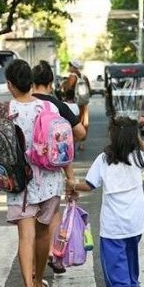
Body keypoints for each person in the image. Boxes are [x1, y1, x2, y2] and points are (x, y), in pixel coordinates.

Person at [0, 59, 75, 287]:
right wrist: (70, 178)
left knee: (25, 236)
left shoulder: (4, 110)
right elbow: (63, 144)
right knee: (42, 235)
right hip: (49, 180)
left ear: (10, 85)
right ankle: (39, 283)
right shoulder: (48, 106)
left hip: (19, 183)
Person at [67, 116, 144, 287]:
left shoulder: (104, 159)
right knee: (130, 253)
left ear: (112, 135)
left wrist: (72, 185)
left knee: (113, 257)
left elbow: (89, 185)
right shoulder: (138, 157)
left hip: (113, 221)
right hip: (135, 219)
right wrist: (140, 141)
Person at [31, 60, 86, 274]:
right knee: (51, 214)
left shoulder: (24, 104)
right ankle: (54, 253)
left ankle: (34, 268)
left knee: (30, 222)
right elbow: (80, 132)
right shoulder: (57, 106)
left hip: (27, 172)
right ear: (51, 82)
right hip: (52, 171)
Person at [63, 60, 90, 151]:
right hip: (83, 102)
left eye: (70, 66)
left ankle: (72, 143)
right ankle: (82, 143)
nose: (69, 67)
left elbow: (67, 89)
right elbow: (89, 89)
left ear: (73, 67)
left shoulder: (72, 76)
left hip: (74, 102)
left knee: (74, 122)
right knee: (84, 121)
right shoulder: (84, 76)